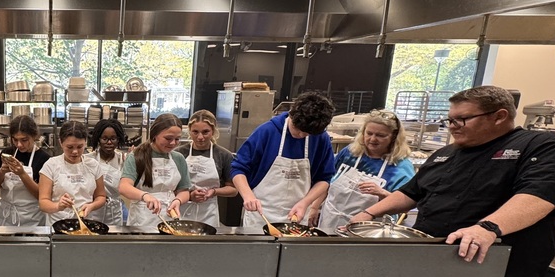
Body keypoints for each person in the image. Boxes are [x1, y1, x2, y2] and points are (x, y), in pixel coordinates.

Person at [349, 86, 555, 277]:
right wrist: (367, 215)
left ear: (499, 116)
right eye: (450, 120)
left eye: (462, 119)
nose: (452, 126)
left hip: (493, 275)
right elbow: (412, 192)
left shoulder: (540, 146)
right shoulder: (446, 154)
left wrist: (488, 228)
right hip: (433, 268)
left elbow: (540, 195)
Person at [231, 91, 337, 229]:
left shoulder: (321, 138)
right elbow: (238, 168)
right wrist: (247, 195)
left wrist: (305, 203)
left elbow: (324, 179)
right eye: (297, 129)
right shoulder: (267, 132)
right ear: (292, 113)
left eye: (306, 133)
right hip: (261, 213)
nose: (300, 135)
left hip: (297, 215)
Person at [310, 109, 416, 234]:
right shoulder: (350, 153)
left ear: (394, 137)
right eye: (369, 133)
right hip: (330, 220)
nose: (373, 139)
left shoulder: (400, 167)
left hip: (370, 230)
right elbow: (327, 181)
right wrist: (315, 206)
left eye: (380, 135)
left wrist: (381, 193)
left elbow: (406, 205)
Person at [119, 114, 192, 230]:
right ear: (154, 135)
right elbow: (124, 187)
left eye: (177, 139)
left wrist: (178, 200)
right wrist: (145, 196)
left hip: (170, 217)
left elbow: (184, 191)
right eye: (168, 138)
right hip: (142, 219)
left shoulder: (178, 159)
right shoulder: (136, 156)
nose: (173, 143)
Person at [176, 110, 237, 227]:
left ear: (213, 131)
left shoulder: (223, 155)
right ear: (189, 131)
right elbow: (171, 186)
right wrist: (189, 194)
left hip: (209, 213)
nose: (200, 137)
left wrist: (213, 192)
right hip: (181, 209)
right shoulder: (179, 153)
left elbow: (233, 190)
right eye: (195, 132)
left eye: (205, 132)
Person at [39, 121, 106, 224]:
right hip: (58, 224)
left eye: (80, 147)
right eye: (70, 147)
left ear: (85, 142)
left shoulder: (93, 165)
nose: (75, 151)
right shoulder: (51, 165)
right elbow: (43, 202)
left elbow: (101, 196)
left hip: (86, 222)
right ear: (61, 143)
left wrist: (91, 206)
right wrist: (58, 206)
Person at [0, 115, 49, 226]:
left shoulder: (43, 158)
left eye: (24, 140)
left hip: (32, 218)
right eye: (15, 140)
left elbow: (41, 195)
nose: (19, 144)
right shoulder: (7, 153)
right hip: (6, 216)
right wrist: (2, 172)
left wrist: (22, 174)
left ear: (34, 136)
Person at [85, 118, 127, 226]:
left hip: (115, 212)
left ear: (119, 139)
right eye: (104, 139)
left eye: (113, 139)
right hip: (93, 210)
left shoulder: (123, 159)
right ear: (98, 139)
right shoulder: (88, 159)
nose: (109, 142)